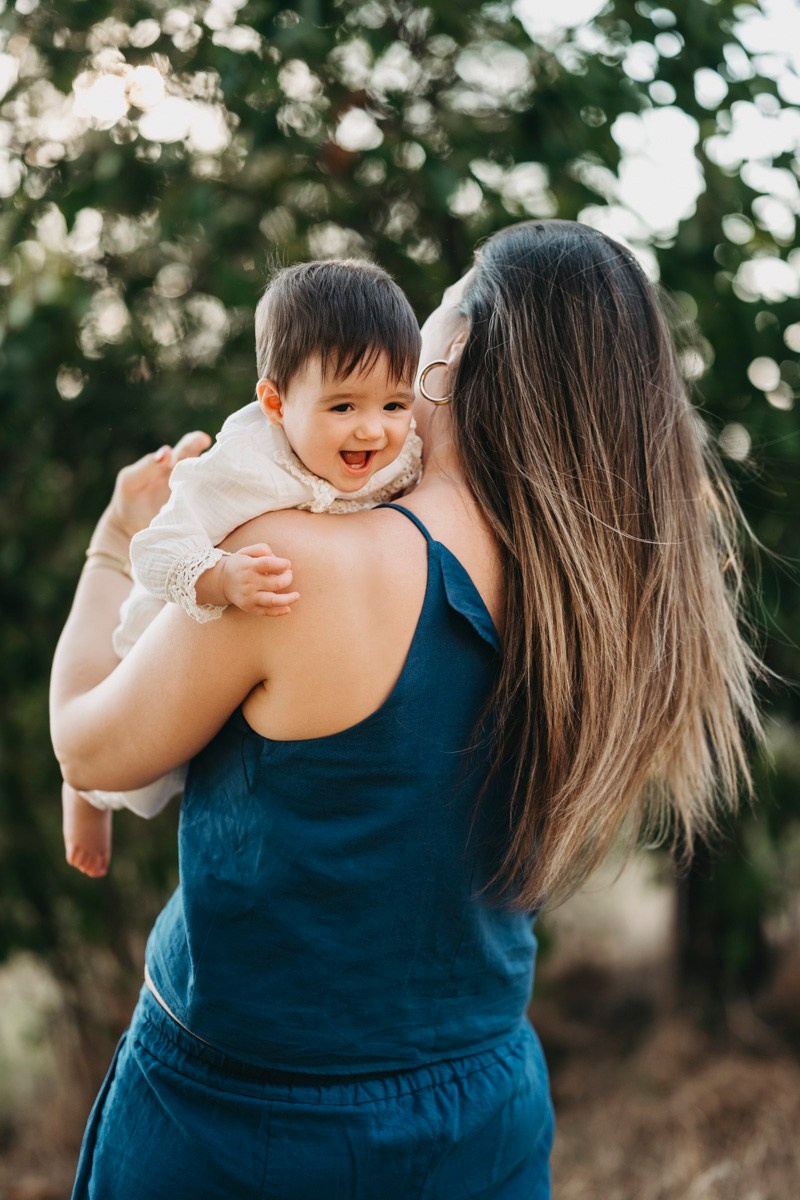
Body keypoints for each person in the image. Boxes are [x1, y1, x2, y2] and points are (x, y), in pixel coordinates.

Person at [50, 220, 761, 1199]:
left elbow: (89, 752)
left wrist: (112, 548)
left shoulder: (295, 566)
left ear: (454, 347)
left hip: (242, 1125)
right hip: (484, 1117)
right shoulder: (603, 606)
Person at [63, 258, 422, 879]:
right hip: (175, 618)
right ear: (275, 403)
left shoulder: (402, 450)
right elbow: (156, 548)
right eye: (342, 407)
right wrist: (220, 577)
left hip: (267, 652)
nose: (373, 430)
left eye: (394, 403)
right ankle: (85, 797)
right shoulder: (241, 466)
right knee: (143, 764)